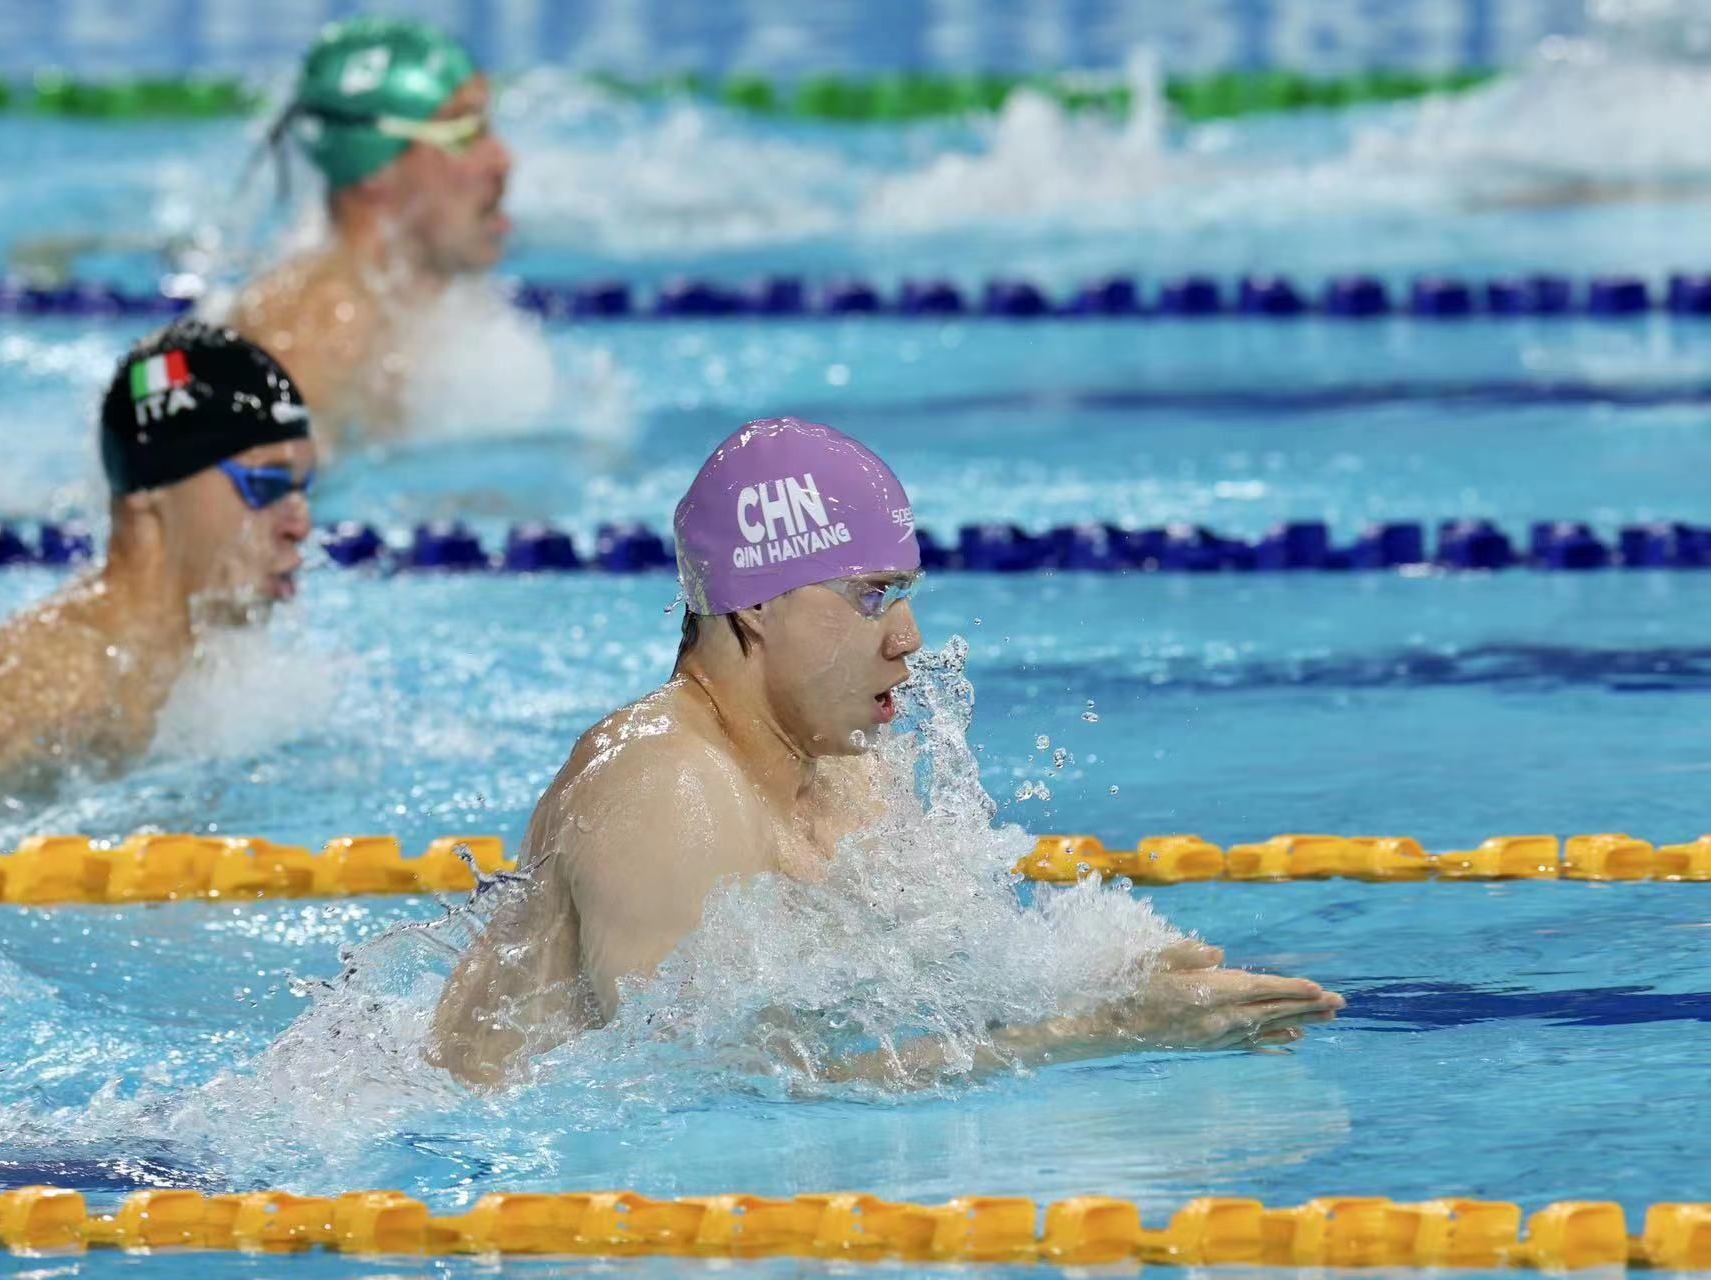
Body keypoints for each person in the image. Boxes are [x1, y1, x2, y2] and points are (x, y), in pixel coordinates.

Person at [429, 417, 1345, 1086]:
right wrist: (1098, 1031)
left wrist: (1111, 981)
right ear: (756, 603)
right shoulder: (666, 788)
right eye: (873, 596)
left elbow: (927, 986)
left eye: (905, 594)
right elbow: (702, 1095)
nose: (909, 638)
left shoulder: (842, 773)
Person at [0, 321, 316, 834]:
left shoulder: (201, 660)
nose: (300, 523)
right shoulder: (49, 679)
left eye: (303, 486)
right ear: (154, 491)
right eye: (265, 485)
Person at [230, 16, 513, 439]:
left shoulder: (398, 309)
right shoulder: (315, 338)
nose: (502, 160)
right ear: (374, 169)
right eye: (463, 131)